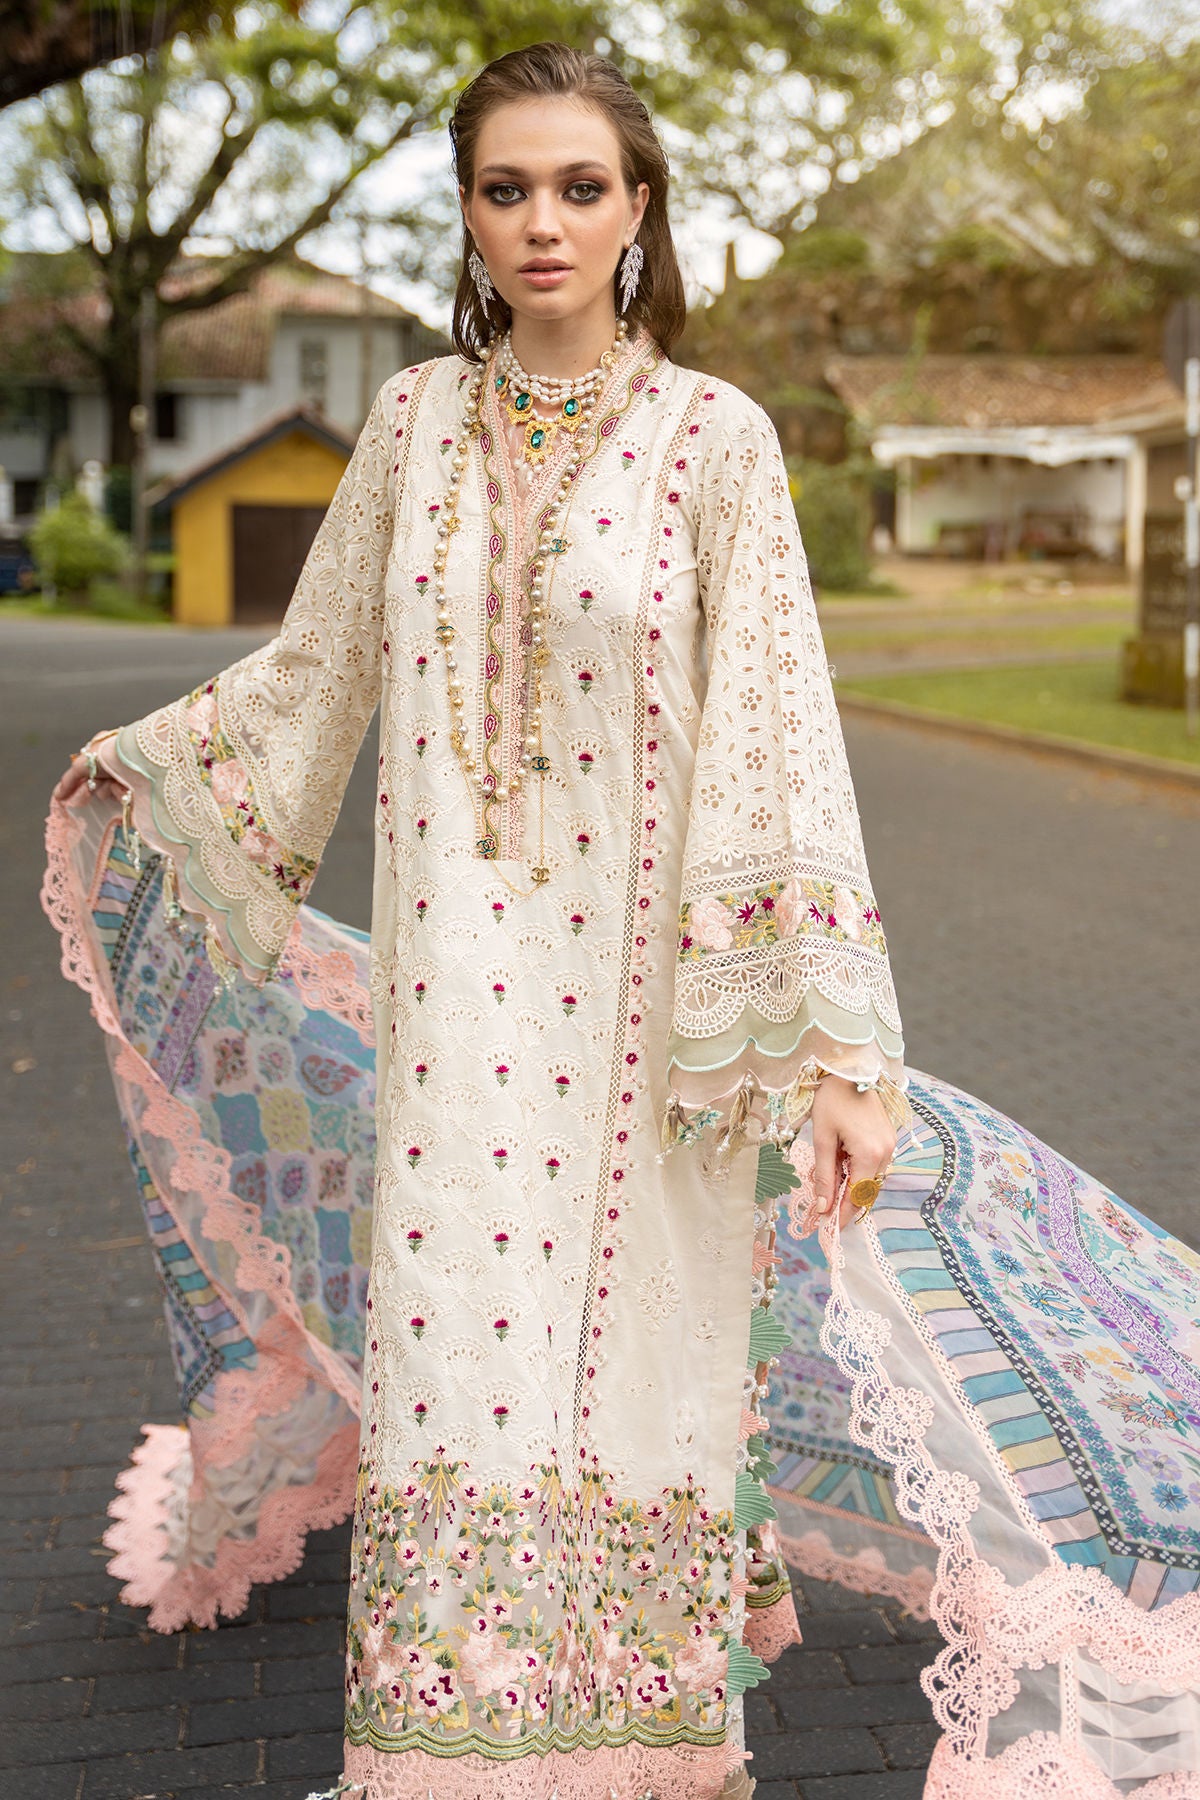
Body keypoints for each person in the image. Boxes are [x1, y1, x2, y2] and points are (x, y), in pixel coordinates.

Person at [48, 41, 1200, 1800]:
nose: (544, 223)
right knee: (454, 1364)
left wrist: (837, 1053)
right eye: (506, 188)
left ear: (639, 209)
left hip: (653, 1022)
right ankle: (444, 1761)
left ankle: (650, 1751)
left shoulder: (716, 444)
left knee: (644, 1369)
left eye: (581, 188)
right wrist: (155, 772)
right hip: (455, 1017)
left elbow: (781, 739)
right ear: (466, 213)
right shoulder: (411, 428)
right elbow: (316, 673)